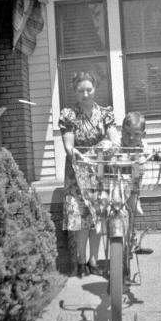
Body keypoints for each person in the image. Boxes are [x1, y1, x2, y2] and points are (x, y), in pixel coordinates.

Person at [59, 71, 119, 278]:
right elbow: (68, 144)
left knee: (97, 219)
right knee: (81, 219)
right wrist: (73, 151)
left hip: (99, 171)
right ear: (75, 92)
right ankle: (81, 260)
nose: (85, 94)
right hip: (78, 172)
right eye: (80, 90)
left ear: (95, 89)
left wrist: (113, 143)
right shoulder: (69, 115)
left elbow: (114, 137)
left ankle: (94, 260)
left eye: (89, 89)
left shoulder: (105, 113)